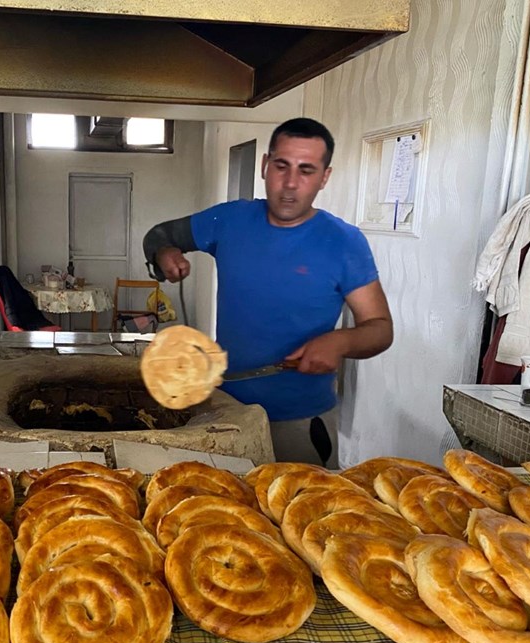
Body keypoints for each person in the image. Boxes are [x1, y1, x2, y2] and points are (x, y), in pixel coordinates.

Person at [143, 117, 393, 467]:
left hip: (300, 424)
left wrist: (341, 342)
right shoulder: (229, 221)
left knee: (303, 515)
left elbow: (380, 327)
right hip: (225, 413)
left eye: (306, 170)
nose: (290, 184)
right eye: (281, 166)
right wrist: (164, 253)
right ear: (265, 166)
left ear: (324, 177)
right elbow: (159, 234)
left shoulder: (344, 242)